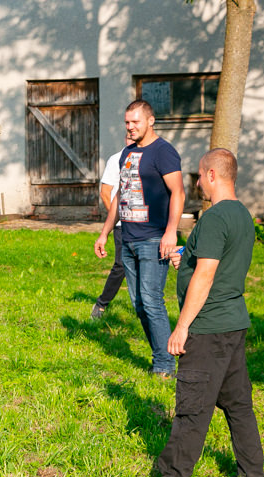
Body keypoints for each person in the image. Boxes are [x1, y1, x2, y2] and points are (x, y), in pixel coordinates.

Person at [146, 148, 264, 477]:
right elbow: (217, 261)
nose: (197, 183)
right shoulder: (242, 214)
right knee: (238, 402)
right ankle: (252, 473)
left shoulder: (214, 218)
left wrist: (181, 327)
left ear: (212, 175)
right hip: (233, 323)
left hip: (209, 328)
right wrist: (188, 256)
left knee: (192, 405)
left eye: (199, 176)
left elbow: (207, 275)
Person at [94, 100, 185, 377]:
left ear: (150, 121)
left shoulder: (164, 152)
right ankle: (160, 355)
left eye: (135, 122)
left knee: (152, 300)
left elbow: (178, 193)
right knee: (139, 303)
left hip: (154, 238)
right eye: (127, 123)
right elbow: (119, 196)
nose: (130, 127)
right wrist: (105, 231)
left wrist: (171, 232)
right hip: (129, 238)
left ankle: (165, 365)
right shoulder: (127, 154)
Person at [91, 135, 134, 319]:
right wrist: (116, 217)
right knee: (122, 265)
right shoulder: (116, 160)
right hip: (121, 225)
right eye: (128, 134)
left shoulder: (151, 158)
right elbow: (105, 192)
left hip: (145, 224)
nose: (132, 137)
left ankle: (146, 309)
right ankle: (101, 304)